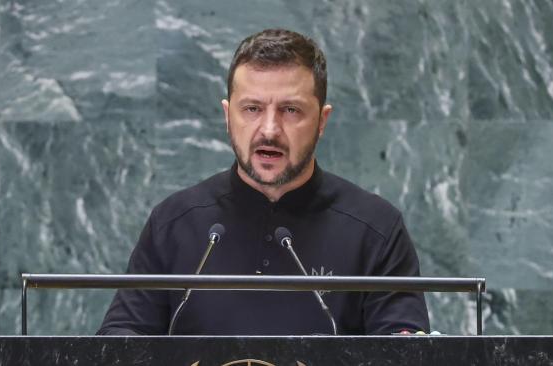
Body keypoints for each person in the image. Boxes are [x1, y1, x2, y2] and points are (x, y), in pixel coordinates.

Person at [97, 28, 429, 335]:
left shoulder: (376, 229)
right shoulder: (173, 223)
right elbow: (121, 341)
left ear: (322, 120)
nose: (269, 130)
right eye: (252, 108)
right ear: (228, 116)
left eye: (291, 110)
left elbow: (401, 348)